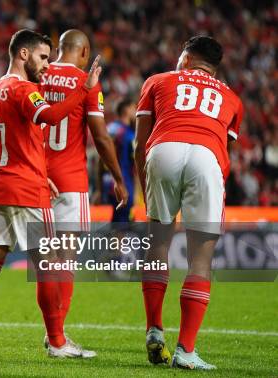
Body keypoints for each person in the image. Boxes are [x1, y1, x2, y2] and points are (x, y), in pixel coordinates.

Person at [0, 29, 102, 359]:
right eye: (42, 57)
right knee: (51, 266)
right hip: (26, 191)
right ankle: (57, 342)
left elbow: (20, 140)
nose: (46, 64)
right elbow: (52, 116)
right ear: (23, 55)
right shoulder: (24, 89)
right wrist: (84, 88)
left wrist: (43, 173)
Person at [134, 36, 243, 370]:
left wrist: (146, 188)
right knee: (201, 259)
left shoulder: (158, 80)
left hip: (163, 148)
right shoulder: (232, 98)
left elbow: (140, 143)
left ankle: (154, 328)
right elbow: (227, 151)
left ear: (186, 58)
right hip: (207, 155)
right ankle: (186, 350)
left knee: (158, 245)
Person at [38, 29, 128, 353]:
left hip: (36, 178)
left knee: (48, 262)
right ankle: (57, 337)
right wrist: (119, 178)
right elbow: (101, 137)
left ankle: (54, 334)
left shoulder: (39, 73)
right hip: (70, 182)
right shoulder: (86, 82)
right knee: (66, 260)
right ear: (85, 51)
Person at [105, 98, 137, 222]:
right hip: (123, 183)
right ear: (126, 110)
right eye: (133, 108)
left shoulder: (109, 128)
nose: (135, 111)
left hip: (107, 182)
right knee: (121, 226)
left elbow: (99, 161)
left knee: (116, 222)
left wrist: (98, 188)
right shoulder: (128, 134)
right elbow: (135, 161)